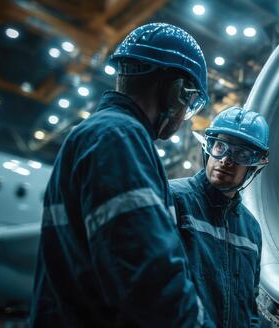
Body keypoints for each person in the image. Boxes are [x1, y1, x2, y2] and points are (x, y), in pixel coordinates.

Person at [30, 23, 214, 327]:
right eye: (190, 102)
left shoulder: (99, 134)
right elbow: (151, 278)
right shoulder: (118, 138)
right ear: (175, 92)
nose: (185, 117)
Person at [170, 107, 270, 327]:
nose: (226, 160)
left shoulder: (251, 229)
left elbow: (249, 308)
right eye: (220, 147)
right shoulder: (175, 199)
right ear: (209, 148)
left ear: (255, 166)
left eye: (241, 154)